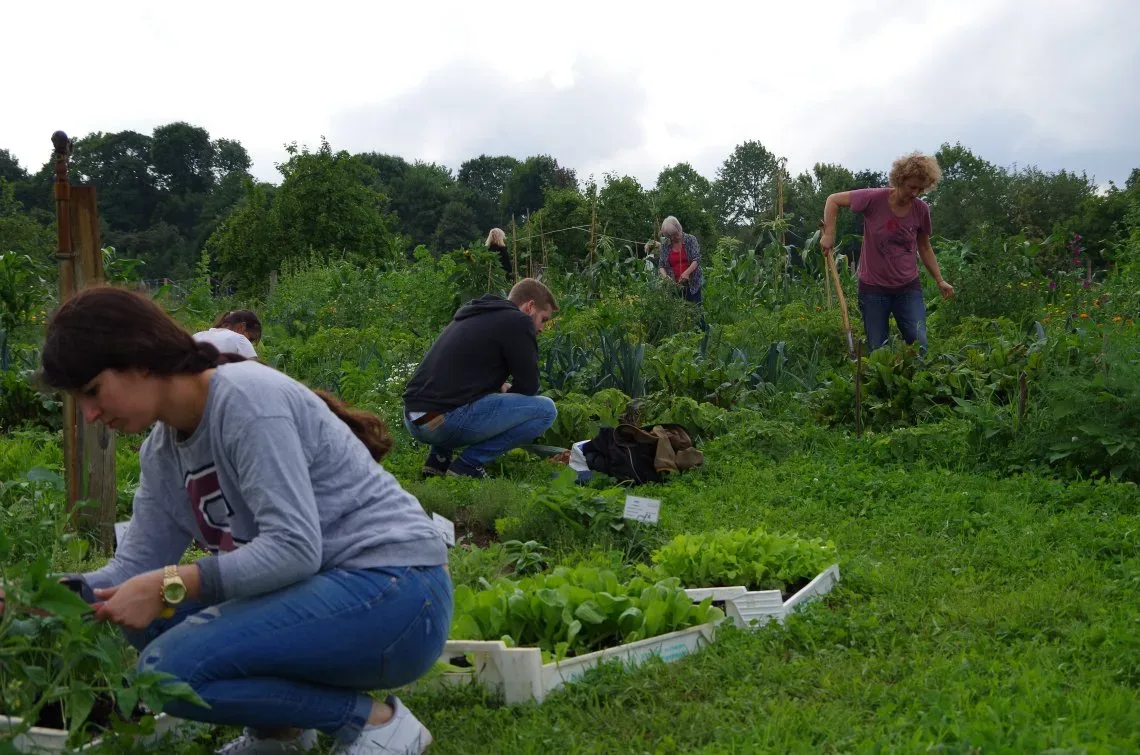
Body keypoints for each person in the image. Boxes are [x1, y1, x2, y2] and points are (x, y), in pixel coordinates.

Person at [38, 286, 451, 755]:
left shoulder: (245, 401)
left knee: (165, 671)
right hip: (329, 594)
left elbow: (294, 550)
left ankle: (377, 724)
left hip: (397, 593)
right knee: (145, 621)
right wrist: (46, 597)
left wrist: (169, 583)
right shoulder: (162, 449)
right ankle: (281, 734)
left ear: (140, 359)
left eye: (92, 391)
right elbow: (132, 571)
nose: (90, 414)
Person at [402, 278, 558, 480]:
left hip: (416, 419)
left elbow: (458, 375)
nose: (542, 328)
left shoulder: (474, 314)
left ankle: (438, 460)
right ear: (529, 306)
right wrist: (508, 391)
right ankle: (468, 465)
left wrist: (496, 387)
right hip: (440, 424)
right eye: (543, 319)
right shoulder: (518, 321)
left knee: (451, 394)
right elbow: (529, 386)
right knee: (546, 411)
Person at [820, 152, 955, 354]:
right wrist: (829, 234)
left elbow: (925, 247)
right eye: (911, 187)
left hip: (908, 288)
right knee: (877, 350)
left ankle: (917, 383)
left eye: (920, 188)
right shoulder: (874, 199)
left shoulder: (921, 210)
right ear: (899, 179)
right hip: (873, 289)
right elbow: (833, 200)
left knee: (919, 343)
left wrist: (939, 280)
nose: (915, 193)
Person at [656, 216, 706, 329]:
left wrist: (687, 273)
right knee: (678, 314)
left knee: (696, 312)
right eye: (669, 236)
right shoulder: (665, 245)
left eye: (675, 234)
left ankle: (703, 336)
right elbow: (661, 266)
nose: (673, 238)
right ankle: (683, 338)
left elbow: (696, 259)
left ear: (680, 228)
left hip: (692, 284)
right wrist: (665, 278)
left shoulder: (690, 240)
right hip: (675, 286)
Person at [193, 309, 261, 359]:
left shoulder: (197, 335)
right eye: (251, 338)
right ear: (242, 326)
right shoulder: (240, 339)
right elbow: (254, 370)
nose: (250, 342)